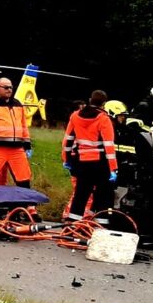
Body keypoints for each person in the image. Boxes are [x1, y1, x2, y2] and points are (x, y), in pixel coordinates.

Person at [64, 90, 119, 218]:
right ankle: (100, 227)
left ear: (90, 100)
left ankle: (73, 226)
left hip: (82, 162)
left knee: (80, 195)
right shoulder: (104, 119)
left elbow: (67, 141)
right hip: (100, 163)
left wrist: (67, 159)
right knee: (101, 196)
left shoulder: (75, 116)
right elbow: (109, 147)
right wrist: (113, 169)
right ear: (104, 104)